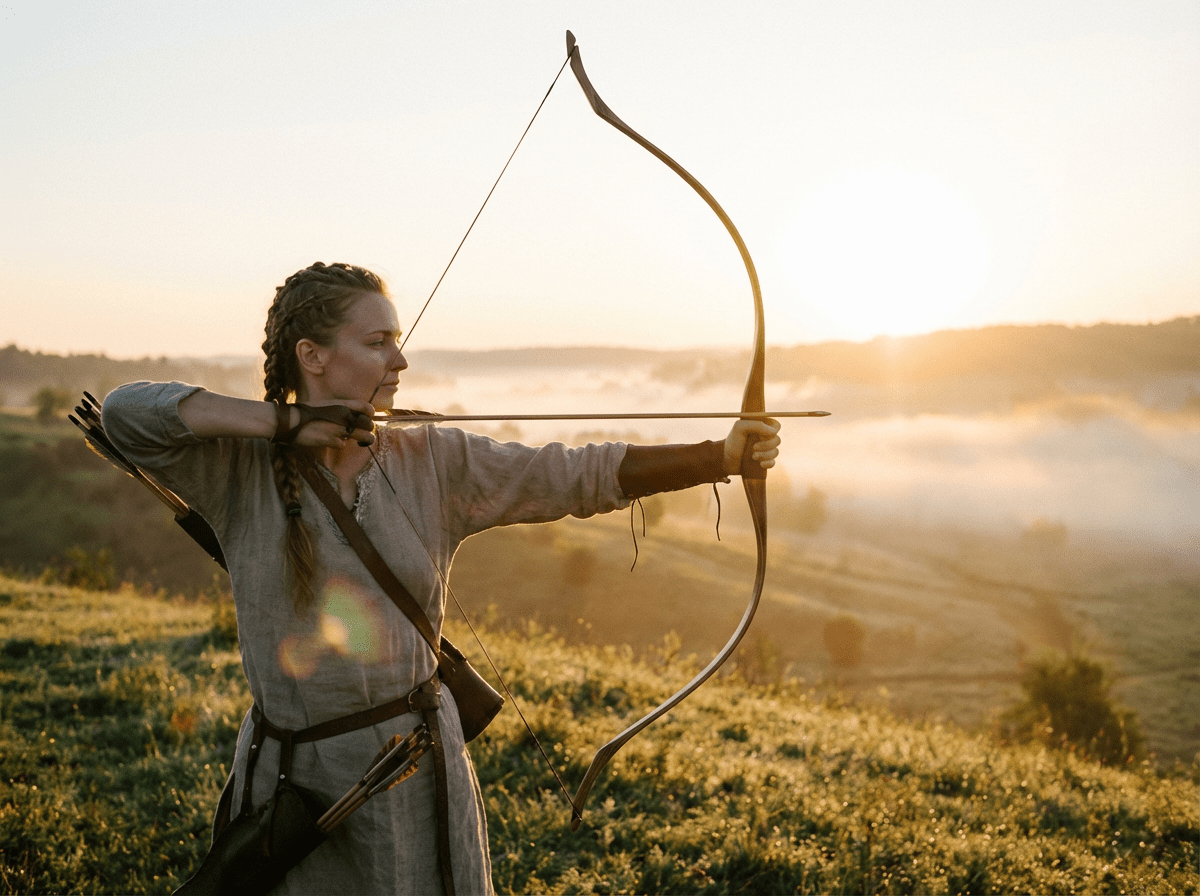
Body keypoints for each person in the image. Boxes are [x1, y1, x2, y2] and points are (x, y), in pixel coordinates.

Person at [101, 261, 781, 895]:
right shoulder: (235, 468)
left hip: (413, 763)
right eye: (376, 342)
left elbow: (572, 473)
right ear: (312, 355)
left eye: (396, 341)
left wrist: (717, 455)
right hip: (294, 778)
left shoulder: (430, 456)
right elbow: (125, 413)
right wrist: (287, 426)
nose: (399, 359)